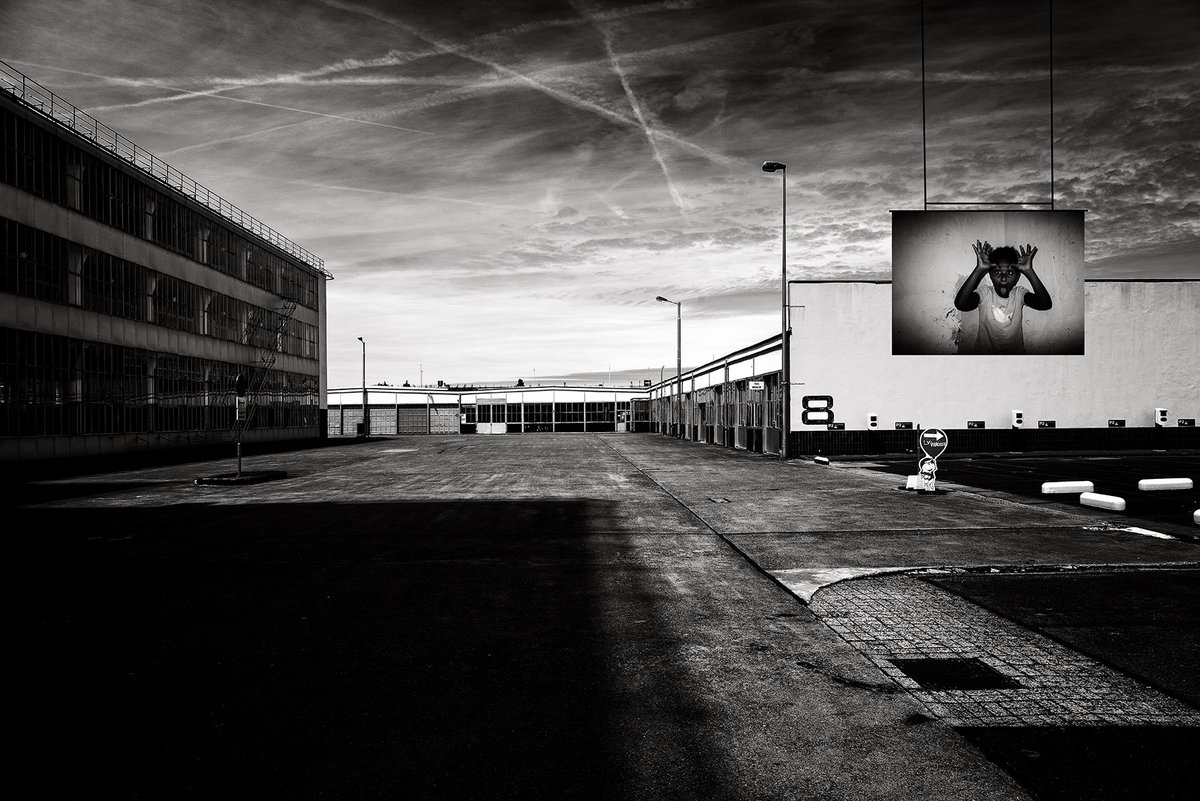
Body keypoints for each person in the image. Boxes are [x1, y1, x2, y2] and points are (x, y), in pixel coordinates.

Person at [954, 240, 1052, 354]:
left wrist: (1029, 272)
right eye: (997, 272)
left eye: (1010, 273)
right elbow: (961, 304)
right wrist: (979, 269)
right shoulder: (985, 293)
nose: (1004, 278)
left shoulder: (1019, 293)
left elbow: (1045, 304)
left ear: (1018, 277)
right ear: (990, 275)